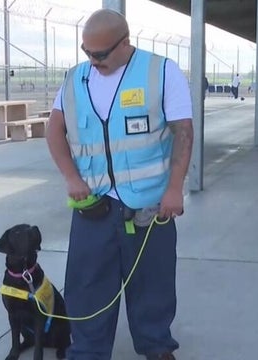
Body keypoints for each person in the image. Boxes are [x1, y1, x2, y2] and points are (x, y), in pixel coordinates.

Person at [45, 9, 193, 360]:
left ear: (125, 43)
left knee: (152, 282)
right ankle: (88, 352)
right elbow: (54, 130)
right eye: (87, 52)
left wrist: (175, 188)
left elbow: (183, 131)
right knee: (87, 286)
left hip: (150, 205)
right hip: (93, 206)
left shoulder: (160, 72)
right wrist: (71, 178)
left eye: (100, 54)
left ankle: (156, 346)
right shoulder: (75, 79)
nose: (93, 61)